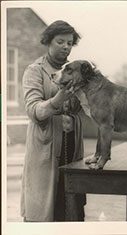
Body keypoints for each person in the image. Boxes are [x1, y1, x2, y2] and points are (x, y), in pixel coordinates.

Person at [21, 20, 85, 222]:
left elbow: (81, 106)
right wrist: (59, 99)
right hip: (46, 147)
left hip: (72, 143)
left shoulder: (75, 69)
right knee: (45, 208)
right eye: (60, 41)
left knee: (71, 206)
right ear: (48, 41)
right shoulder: (35, 70)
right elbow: (33, 111)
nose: (66, 46)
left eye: (69, 43)